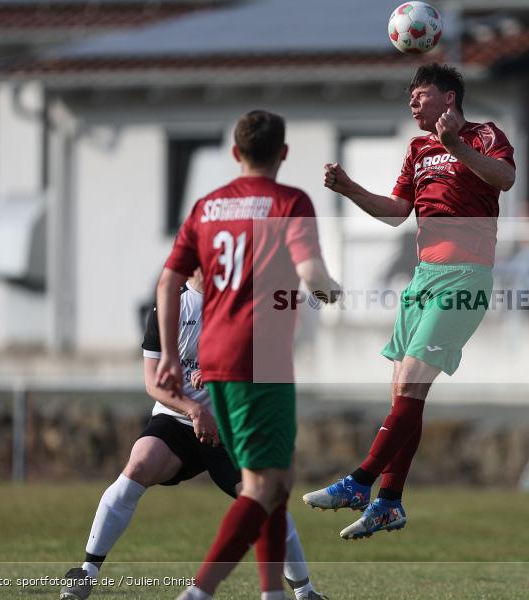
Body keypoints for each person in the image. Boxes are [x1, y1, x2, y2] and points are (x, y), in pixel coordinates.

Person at [303, 63, 515, 540]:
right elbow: (398, 212)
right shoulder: (418, 148)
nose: (412, 103)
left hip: (464, 275)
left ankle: (359, 482)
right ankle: (389, 502)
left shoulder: (484, 134)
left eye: (420, 94)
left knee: (412, 384)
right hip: (422, 279)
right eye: (411, 97)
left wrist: (457, 146)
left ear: (449, 98)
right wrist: (350, 189)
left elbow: (504, 178)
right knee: (404, 392)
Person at [155, 110, 339, 600]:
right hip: (261, 360)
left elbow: (170, 280)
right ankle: (197, 593)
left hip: (214, 358)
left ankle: (273, 593)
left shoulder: (207, 207)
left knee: (272, 478)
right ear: (282, 153)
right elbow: (312, 273)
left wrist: (172, 355)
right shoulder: (289, 202)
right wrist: (329, 291)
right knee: (262, 486)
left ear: (236, 154)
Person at [58, 267, 327, 600]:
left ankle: (305, 593)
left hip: (231, 427)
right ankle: (86, 573)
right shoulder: (168, 304)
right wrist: (194, 409)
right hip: (178, 420)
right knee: (138, 464)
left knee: (268, 501)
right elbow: (153, 382)